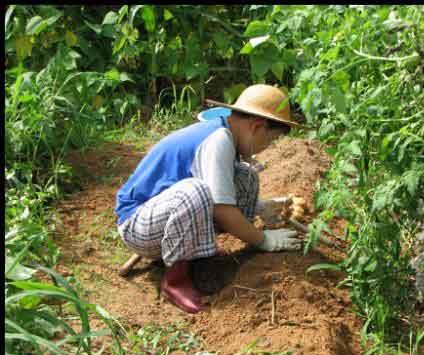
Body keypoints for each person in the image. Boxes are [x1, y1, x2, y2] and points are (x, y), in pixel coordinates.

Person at [115, 84, 307, 313]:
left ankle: (197, 251)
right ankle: (175, 280)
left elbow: (222, 190)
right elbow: (221, 209)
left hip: (163, 218)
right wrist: (263, 239)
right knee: (196, 192)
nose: (266, 149)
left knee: (245, 176)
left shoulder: (223, 134)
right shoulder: (218, 140)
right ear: (257, 127)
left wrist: (260, 207)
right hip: (136, 225)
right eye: (270, 140)